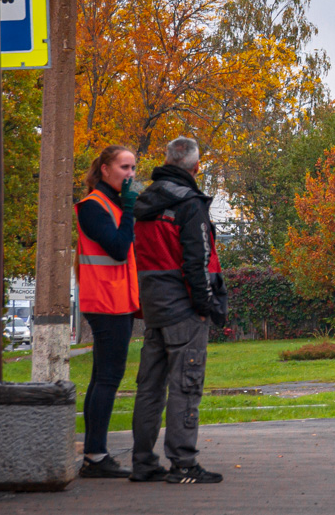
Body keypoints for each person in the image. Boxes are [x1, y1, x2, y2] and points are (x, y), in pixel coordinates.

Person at [130, 136, 227, 485]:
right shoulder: (190, 205)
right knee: (186, 385)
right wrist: (206, 307)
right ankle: (183, 463)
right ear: (196, 166)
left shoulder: (144, 203)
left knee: (150, 387)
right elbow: (197, 262)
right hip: (183, 308)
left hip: (153, 305)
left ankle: (142, 462)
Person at [75, 145, 141, 479]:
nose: (130, 174)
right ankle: (96, 455)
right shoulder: (92, 207)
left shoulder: (112, 204)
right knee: (108, 378)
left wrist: (129, 207)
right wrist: (129, 209)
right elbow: (117, 249)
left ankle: (94, 453)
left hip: (117, 302)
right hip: (105, 303)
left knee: (102, 377)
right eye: (124, 167)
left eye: (133, 168)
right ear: (104, 169)